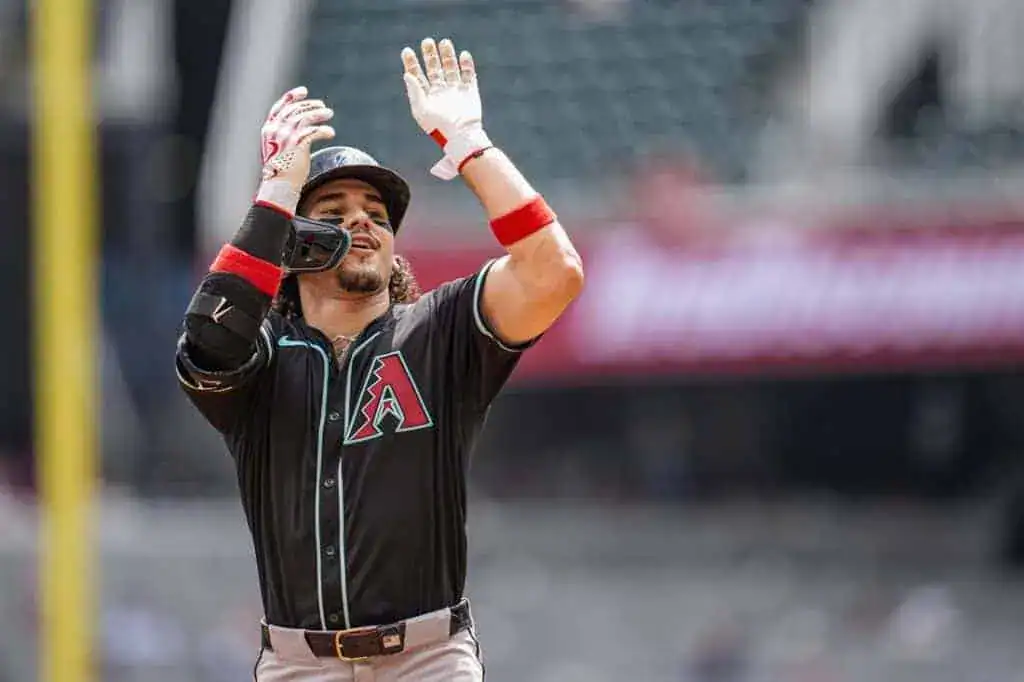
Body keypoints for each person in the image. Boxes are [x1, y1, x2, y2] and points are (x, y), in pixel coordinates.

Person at [175, 37, 584, 681]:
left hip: (427, 658)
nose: (363, 223)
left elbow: (554, 272)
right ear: (295, 241)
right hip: (297, 664)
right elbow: (208, 341)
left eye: (377, 214)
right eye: (333, 213)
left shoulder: (441, 333)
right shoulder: (262, 360)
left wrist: (470, 144)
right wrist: (275, 196)